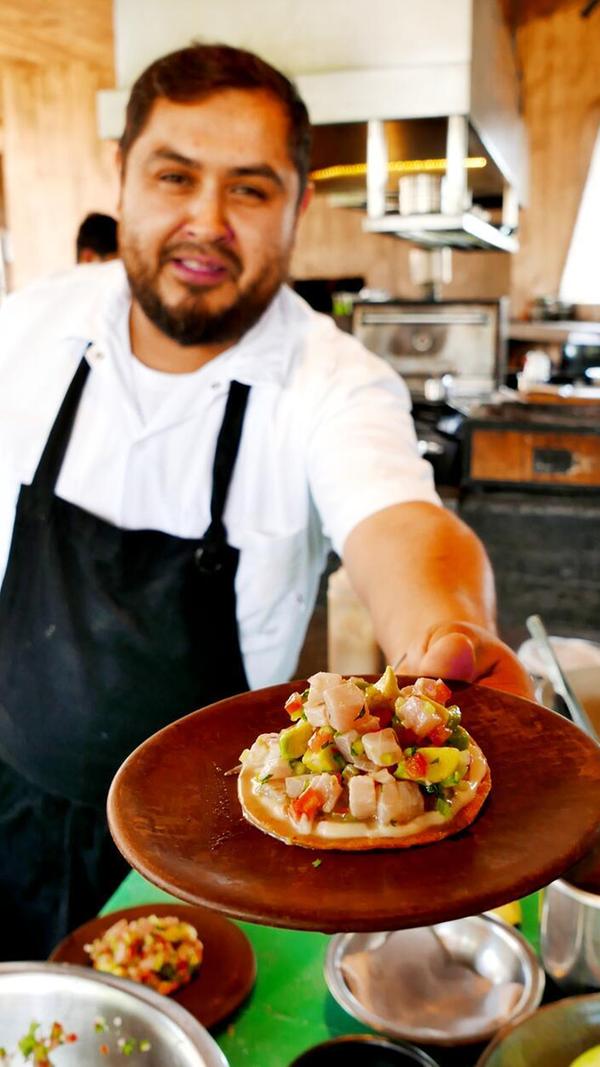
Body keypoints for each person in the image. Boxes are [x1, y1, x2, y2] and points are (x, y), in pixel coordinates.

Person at [0, 43, 531, 960]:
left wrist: (450, 636)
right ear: (121, 177)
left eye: (249, 189)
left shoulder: (332, 379)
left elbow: (400, 522)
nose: (207, 221)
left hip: (214, 842)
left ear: (298, 205)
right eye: (175, 176)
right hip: (8, 793)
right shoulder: (27, 332)